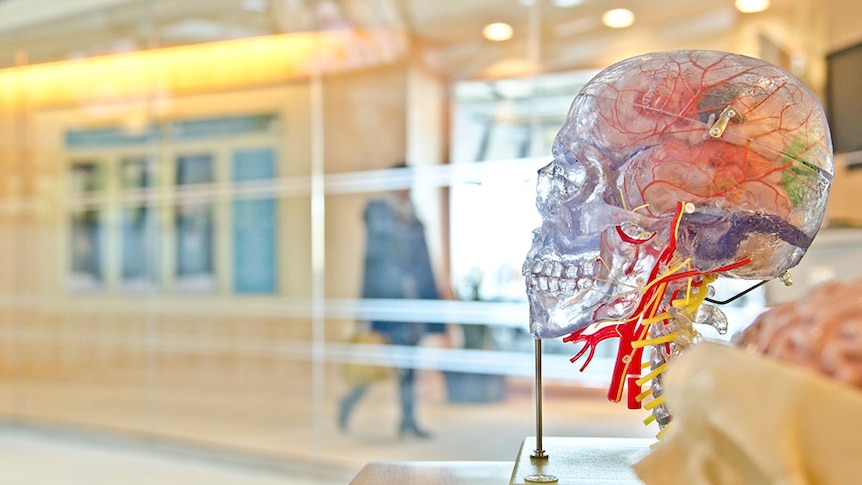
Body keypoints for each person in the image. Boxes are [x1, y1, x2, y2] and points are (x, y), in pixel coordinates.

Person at [338, 163, 444, 438]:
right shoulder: (381, 213)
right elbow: (373, 263)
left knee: (408, 367)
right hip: (389, 306)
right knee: (375, 365)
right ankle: (348, 402)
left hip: (413, 306)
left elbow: (423, 264)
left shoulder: (413, 215)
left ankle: (408, 420)